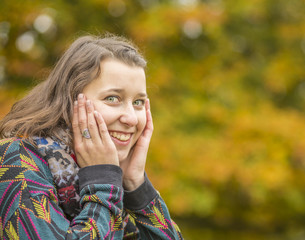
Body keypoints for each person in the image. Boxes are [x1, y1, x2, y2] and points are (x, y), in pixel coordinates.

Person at [0, 34, 183, 239]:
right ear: (69, 101)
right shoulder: (16, 159)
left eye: (138, 102)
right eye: (113, 98)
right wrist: (103, 181)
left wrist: (136, 185)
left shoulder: (117, 177)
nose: (131, 118)